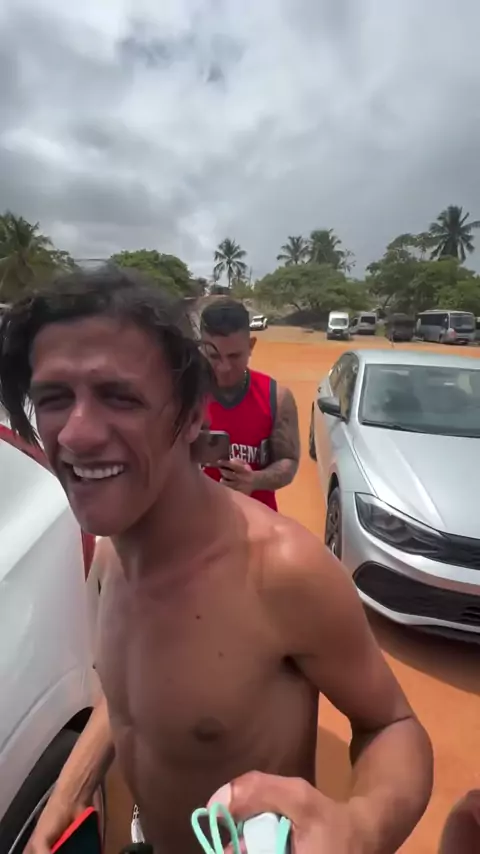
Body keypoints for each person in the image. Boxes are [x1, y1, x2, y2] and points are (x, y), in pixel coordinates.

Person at [0, 269, 433, 854]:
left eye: (120, 397)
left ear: (192, 416)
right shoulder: (108, 555)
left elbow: (393, 725)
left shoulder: (281, 572)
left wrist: (361, 828)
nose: (76, 434)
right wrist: (66, 797)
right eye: (54, 398)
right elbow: (131, 697)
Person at [199, 298, 299, 511]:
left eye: (234, 356)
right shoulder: (183, 395)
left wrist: (254, 480)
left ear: (251, 345)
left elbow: (289, 461)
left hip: (258, 522)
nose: (224, 367)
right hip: (197, 522)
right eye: (214, 356)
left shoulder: (276, 398)